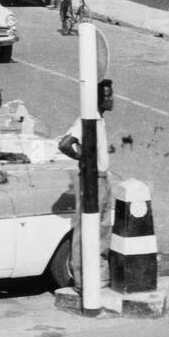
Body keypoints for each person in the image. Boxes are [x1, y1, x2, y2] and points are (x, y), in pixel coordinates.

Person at [58, 109, 117, 277]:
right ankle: (81, 276)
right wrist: (81, 158)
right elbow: (64, 144)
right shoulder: (87, 119)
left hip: (102, 177)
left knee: (103, 228)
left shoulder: (99, 120)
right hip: (93, 178)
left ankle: (100, 275)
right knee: (87, 226)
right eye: (107, 95)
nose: (111, 98)